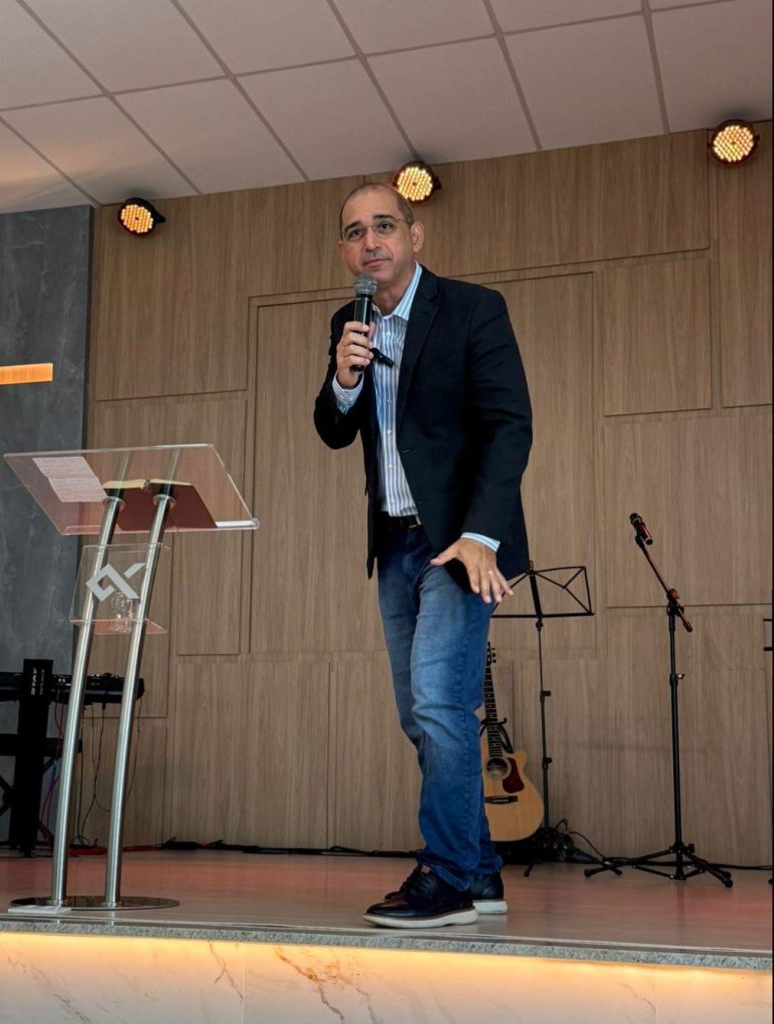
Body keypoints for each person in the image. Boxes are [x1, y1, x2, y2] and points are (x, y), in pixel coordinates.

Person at [314, 183, 533, 928]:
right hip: (393, 542)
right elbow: (333, 430)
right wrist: (343, 378)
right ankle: (480, 869)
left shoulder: (472, 309)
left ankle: (446, 876)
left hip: (458, 542)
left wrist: (481, 534)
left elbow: (509, 425)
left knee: (441, 703)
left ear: (415, 235)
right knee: (420, 715)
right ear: (344, 252)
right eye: (355, 233)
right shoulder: (349, 322)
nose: (369, 242)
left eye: (384, 226)